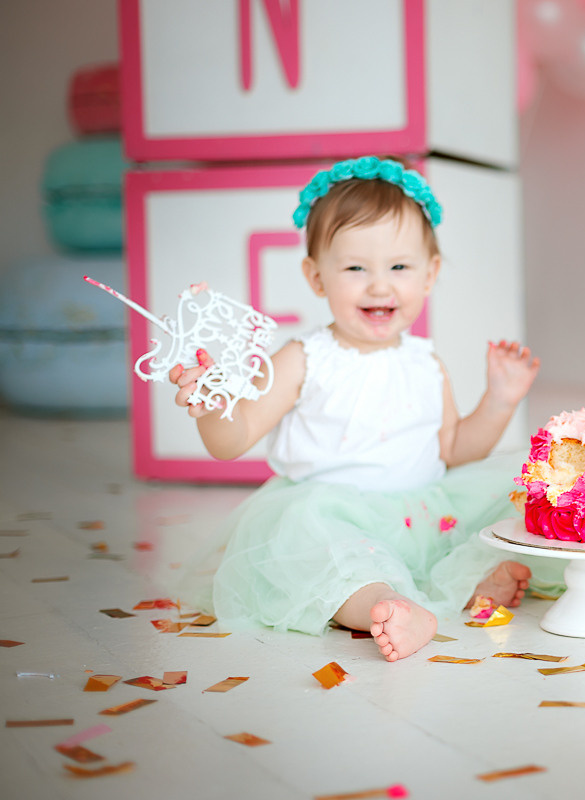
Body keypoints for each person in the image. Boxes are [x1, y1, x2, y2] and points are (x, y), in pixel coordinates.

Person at [171, 155, 547, 661]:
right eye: (354, 268)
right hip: (330, 516)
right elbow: (233, 438)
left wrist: (498, 400)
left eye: (399, 267)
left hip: (422, 513)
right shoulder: (303, 359)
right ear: (316, 277)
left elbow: (455, 450)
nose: (378, 284)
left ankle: (473, 578)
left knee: (520, 499)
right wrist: (213, 404)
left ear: (429, 274)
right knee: (320, 555)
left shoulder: (425, 362)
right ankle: (385, 603)